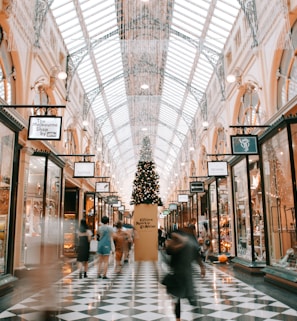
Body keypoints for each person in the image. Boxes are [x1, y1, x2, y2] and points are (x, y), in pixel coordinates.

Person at [163, 229, 205, 321]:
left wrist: (202, 267)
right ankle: (178, 318)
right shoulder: (179, 244)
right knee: (181, 299)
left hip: (184, 275)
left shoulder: (185, 244)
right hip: (180, 275)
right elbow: (168, 251)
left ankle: (185, 318)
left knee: (188, 298)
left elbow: (196, 255)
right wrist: (202, 267)